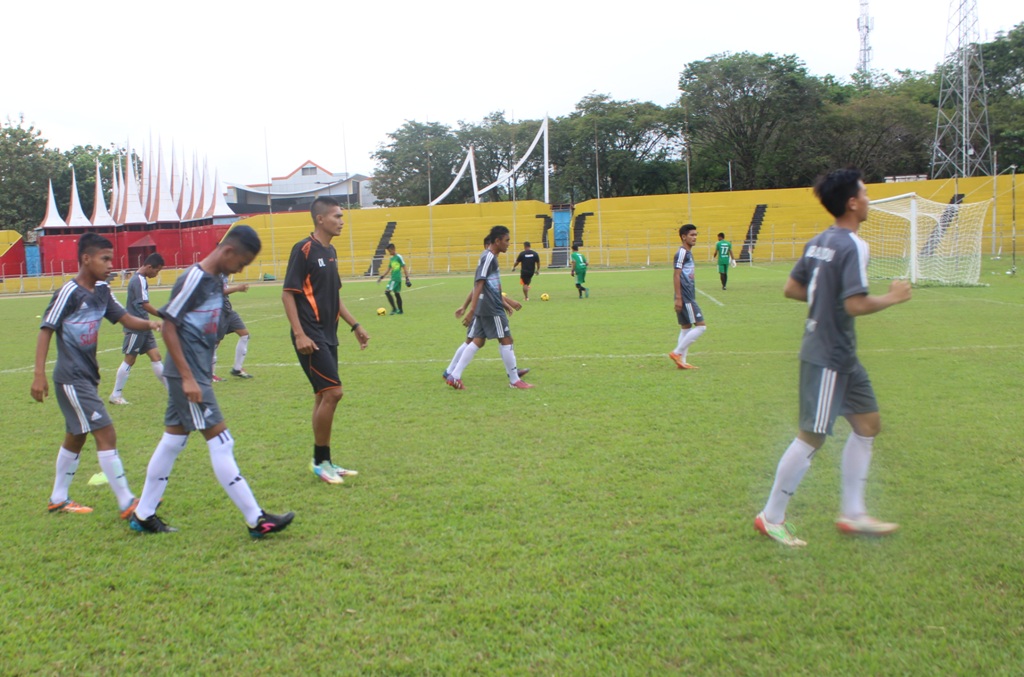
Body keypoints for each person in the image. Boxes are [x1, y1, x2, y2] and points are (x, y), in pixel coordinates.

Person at [754, 169, 912, 547]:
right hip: (827, 355)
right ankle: (771, 517)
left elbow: (793, 288)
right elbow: (854, 304)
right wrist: (892, 297)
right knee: (811, 437)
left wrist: (821, 301)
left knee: (868, 425)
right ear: (853, 203)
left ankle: (853, 513)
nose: (870, 200)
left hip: (842, 355)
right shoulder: (853, 245)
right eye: (866, 194)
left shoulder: (819, 241)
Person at [129, 225, 294, 537]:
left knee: (173, 442)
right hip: (188, 376)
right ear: (228, 251)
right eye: (241, 263)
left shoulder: (217, 281)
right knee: (222, 441)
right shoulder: (194, 279)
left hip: (196, 373)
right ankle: (257, 519)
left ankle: (143, 514)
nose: (240, 269)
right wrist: (189, 378)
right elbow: (169, 327)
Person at [31, 233, 160, 517]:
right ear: (86, 259)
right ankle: (127, 502)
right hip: (71, 378)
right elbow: (46, 330)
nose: (110, 264)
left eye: (110, 259)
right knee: (106, 432)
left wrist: (153, 324)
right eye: (104, 259)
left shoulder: (102, 290)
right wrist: (38, 374)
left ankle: (58, 498)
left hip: (87, 377)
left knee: (76, 436)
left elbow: (125, 318)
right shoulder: (69, 292)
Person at [282, 196, 370, 485]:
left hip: (329, 335)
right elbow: (288, 293)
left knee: (323, 395)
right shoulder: (303, 249)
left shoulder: (330, 252)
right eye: (337, 216)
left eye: (342, 217)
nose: (341, 221)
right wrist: (299, 334)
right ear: (321, 219)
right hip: (310, 335)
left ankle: (323, 460)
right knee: (333, 393)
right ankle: (321, 462)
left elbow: (335, 296)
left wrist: (355, 324)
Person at [446, 225, 533, 390]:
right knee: (506, 340)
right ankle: (514, 380)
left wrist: (507, 302)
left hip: (487, 305)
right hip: (491, 308)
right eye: (506, 241)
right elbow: (479, 283)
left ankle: (454, 375)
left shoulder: (490, 257)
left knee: (477, 341)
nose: (508, 244)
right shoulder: (489, 257)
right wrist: (471, 310)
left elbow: (491, 286)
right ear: (497, 241)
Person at [108, 253, 167, 405]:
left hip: (144, 325)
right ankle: (115, 395)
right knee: (130, 359)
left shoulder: (140, 279)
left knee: (156, 357)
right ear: (149, 267)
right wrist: (163, 315)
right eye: (157, 270)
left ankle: (173, 392)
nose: (156, 274)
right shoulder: (139, 280)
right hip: (136, 326)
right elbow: (144, 304)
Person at [668, 224, 706, 370]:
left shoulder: (688, 253)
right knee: (701, 326)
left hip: (686, 295)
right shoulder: (682, 253)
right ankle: (677, 353)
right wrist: (679, 297)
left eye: (696, 235)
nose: (695, 237)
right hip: (685, 296)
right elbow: (676, 274)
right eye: (692, 235)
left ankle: (682, 362)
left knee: (685, 327)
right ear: (684, 237)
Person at [211, 281, 253, 381]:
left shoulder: (224, 274)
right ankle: (210, 374)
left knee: (245, 335)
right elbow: (218, 292)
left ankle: (237, 369)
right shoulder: (215, 273)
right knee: (215, 342)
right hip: (218, 311)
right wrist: (237, 288)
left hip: (228, 311)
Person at [376, 243, 411, 315]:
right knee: (397, 294)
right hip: (393, 278)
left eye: (390, 251)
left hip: (396, 278)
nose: (389, 253)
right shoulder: (391, 259)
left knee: (387, 292)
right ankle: (400, 310)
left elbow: (404, 267)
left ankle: (394, 309)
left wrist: (407, 278)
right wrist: (381, 277)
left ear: (394, 249)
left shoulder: (399, 257)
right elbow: (388, 269)